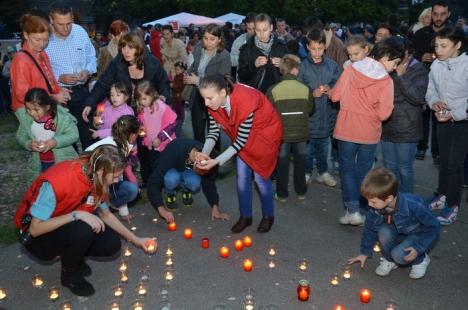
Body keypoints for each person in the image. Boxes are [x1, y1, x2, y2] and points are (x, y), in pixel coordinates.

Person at [14, 145, 155, 296]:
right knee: (83, 230)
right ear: (101, 171)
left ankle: (74, 257)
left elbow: (106, 215)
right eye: (114, 177)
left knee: (111, 244)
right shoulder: (59, 181)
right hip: (37, 238)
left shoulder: (95, 176)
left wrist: (136, 239)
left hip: (66, 225)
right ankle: (69, 274)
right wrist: (77, 215)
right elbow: (34, 229)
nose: (116, 181)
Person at [330, 37, 404, 226]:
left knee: (346, 169)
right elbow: (385, 113)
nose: (395, 67)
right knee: (364, 170)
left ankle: (352, 210)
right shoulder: (386, 81)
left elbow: (336, 95)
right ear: (385, 56)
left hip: (346, 127)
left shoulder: (351, 68)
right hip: (369, 132)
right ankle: (365, 208)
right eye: (395, 62)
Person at [196, 75, 283, 233]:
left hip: (264, 137)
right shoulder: (212, 105)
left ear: (223, 92)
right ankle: (246, 216)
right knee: (242, 178)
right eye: (203, 98)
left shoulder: (245, 103)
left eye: (209, 98)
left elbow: (240, 141)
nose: (206, 103)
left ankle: (268, 216)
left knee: (260, 179)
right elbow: (214, 132)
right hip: (243, 138)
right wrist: (204, 153)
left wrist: (216, 161)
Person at [347, 167, 440, 279]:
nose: (369, 204)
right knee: (382, 231)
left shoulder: (414, 206)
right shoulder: (376, 208)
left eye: (373, 201)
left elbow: (434, 226)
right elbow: (369, 229)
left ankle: (420, 260)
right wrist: (364, 252)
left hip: (416, 234)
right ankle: (389, 260)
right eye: (368, 200)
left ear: (389, 198)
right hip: (397, 231)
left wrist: (419, 248)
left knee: (399, 256)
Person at [426, 27, 468, 225]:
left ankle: (452, 204)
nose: (439, 50)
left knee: (455, 164)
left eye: (444, 46)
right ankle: (442, 195)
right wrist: (434, 102)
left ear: (457, 45)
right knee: (444, 161)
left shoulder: (466, 65)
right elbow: (431, 90)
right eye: (437, 45)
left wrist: (455, 113)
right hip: (442, 121)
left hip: (463, 123)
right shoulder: (436, 65)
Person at [83, 32, 171, 123]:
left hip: (149, 110)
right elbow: (103, 84)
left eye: (130, 47)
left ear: (139, 48)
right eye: (123, 47)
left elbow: (164, 83)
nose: (126, 51)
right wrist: (90, 103)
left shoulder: (153, 62)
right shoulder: (116, 63)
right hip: (125, 112)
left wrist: (164, 96)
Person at [46, 2, 97, 149]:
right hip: (60, 95)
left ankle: (91, 168)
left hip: (82, 91)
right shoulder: (45, 39)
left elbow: (91, 56)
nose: (66, 28)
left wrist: (87, 71)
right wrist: (59, 78)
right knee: (66, 140)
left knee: (89, 135)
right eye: (61, 24)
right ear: (51, 20)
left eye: (69, 23)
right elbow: (41, 70)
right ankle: (70, 169)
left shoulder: (80, 32)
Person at [381, 39, 429, 193]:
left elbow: (417, 97)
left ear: (407, 53)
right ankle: (391, 201)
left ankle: (407, 202)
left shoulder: (419, 69)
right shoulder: (387, 66)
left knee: (404, 169)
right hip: (387, 126)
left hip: (407, 129)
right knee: (389, 168)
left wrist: (401, 77)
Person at [267, 54, 314, 201]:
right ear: (295, 70)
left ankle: (282, 194)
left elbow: (269, 114)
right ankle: (301, 192)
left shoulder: (273, 89)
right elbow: (311, 110)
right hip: (300, 133)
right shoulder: (305, 89)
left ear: (282, 70)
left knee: (282, 163)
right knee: (300, 162)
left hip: (281, 134)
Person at [147, 138, 229, 223]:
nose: (202, 175)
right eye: (202, 171)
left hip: (188, 168)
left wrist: (215, 208)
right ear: (199, 160)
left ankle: (186, 190)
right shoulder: (175, 150)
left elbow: (209, 182)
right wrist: (161, 210)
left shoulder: (206, 155)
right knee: (171, 179)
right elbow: (153, 182)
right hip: (171, 169)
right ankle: (169, 193)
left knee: (194, 183)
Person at [298, 28, 342, 187]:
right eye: (313, 49)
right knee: (308, 150)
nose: (317, 52)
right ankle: (307, 172)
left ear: (325, 47)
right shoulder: (302, 66)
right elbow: (298, 88)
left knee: (324, 148)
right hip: (309, 115)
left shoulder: (333, 66)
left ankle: (323, 172)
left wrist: (331, 88)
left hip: (327, 114)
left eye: (320, 49)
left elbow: (339, 83)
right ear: (308, 47)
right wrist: (311, 93)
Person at [413, 1, 452, 162]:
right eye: (435, 14)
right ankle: (421, 148)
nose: (438, 18)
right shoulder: (420, 34)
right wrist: (420, 56)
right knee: (423, 116)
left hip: (446, 82)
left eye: (442, 14)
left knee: (440, 117)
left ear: (448, 14)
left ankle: (438, 152)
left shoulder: (453, 34)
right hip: (422, 80)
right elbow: (410, 56)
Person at [10, 14, 71, 113]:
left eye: (46, 40)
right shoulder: (21, 59)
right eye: (37, 40)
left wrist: (59, 90)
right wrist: (54, 98)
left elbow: (49, 80)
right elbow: (23, 95)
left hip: (44, 109)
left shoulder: (42, 53)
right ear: (26, 35)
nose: (42, 44)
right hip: (31, 113)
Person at [16, 88, 78, 183]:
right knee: (44, 187)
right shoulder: (27, 120)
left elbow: (73, 134)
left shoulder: (61, 118)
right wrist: (29, 144)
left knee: (63, 185)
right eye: (28, 109)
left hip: (62, 160)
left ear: (47, 107)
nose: (32, 113)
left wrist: (55, 142)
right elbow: (21, 136)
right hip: (40, 163)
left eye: (36, 110)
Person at [86, 115, 140, 221]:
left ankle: (103, 208)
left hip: (100, 182)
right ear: (133, 135)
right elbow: (102, 180)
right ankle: (97, 211)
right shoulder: (114, 149)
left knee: (131, 189)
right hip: (89, 184)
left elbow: (116, 177)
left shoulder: (121, 144)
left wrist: (123, 211)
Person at [183, 24, 231, 144]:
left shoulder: (224, 55)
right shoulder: (198, 48)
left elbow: (222, 81)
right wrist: (188, 74)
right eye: (205, 38)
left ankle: (214, 159)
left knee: (213, 132)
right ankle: (199, 156)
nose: (208, 42)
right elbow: (192, 66)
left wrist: (198, 80)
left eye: (212, 39)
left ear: (219, 39)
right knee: (198, 130)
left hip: (214, 97)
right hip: (197, 95)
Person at [134, 80, 177, 186]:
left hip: (164, 144)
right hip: (151, 144)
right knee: (152, 164)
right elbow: (142, 123)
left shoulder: (161, 107)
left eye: (144, 98)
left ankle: (166, 184)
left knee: (162, 165)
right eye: (139, 99)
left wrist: (160, 138)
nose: (142, 102)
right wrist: (141, 130)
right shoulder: (142, 109)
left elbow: (172, 125)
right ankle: (154, 184)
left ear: (152, 94)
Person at [238, 13, 288, 93]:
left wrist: (283, 65)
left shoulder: (281, 46)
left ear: (271, 28)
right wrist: (253, 65)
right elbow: (241, 76)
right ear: (255, 30)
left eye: (265, 30)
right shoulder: (246, 48)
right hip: (255, 94)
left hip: (278, 93)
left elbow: (292, 72)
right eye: (258, 30)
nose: (261, 34)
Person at [231, 13, 256, 79]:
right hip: (242, 80)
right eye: (249, 29)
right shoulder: (239, 41)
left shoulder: (264, 40)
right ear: (245, 27)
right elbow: (232, 61)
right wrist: (246, 58)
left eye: (254, 28)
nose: (252, 32)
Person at [171, 61, 187, 136]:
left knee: (179, 111)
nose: (176, 71)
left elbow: (180, 86)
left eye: (178, 69)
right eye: (176, 69)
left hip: (180, 98)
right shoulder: (177, 76)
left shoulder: (183, 77)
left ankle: (179, 122)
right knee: (176, 110)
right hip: (176, 97)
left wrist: (173, 85)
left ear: (182, 69)